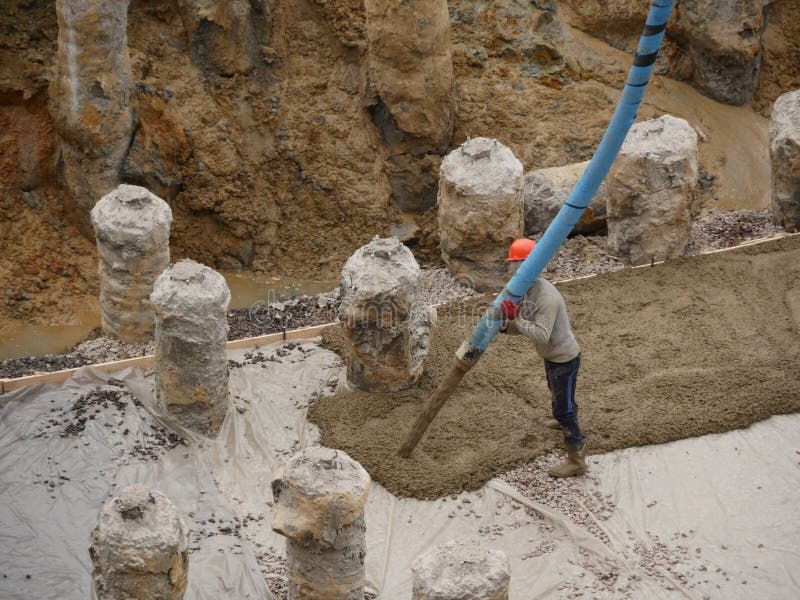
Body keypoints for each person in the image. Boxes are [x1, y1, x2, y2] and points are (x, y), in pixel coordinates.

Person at [499, 238, 587, 477]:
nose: (513, 270)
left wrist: (516, 320)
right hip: (552, 357)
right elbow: (529, 321)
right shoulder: (530, 289)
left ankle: (576, 459)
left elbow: (541, 334)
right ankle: (563, 416)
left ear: (530, 266)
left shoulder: (545, 296)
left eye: (517, 265)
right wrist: (508, 327)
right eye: (512, 265)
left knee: (564, 407)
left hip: (564, 359)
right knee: (558, 393)